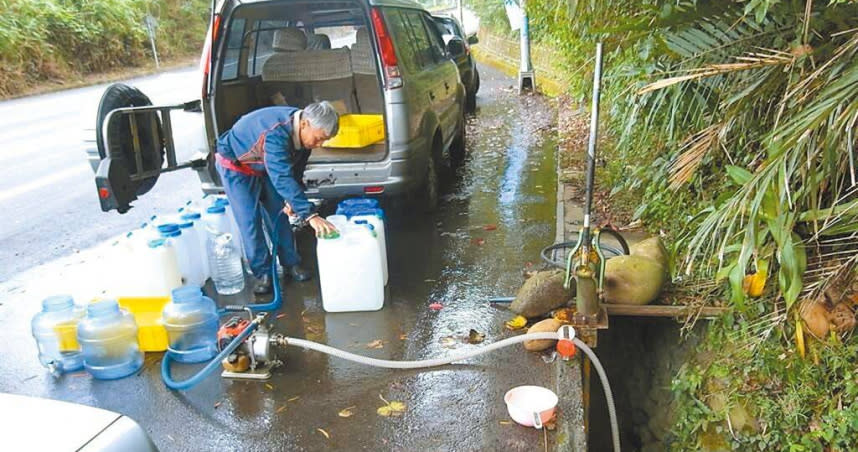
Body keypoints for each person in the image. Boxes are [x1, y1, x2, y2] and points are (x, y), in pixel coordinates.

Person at [215, 101, 338, 294]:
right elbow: (281, 177)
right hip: (237, 167)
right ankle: (264, 274)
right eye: (319, 138)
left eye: (324, 140)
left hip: (264, 166)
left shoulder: (304, 134)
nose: (319, 144)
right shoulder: (275, 134)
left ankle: (291, 263)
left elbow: (294, 170)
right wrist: (310, 215)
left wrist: (292, 200)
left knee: (278, 214)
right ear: (305, 124)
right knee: (250, 222)